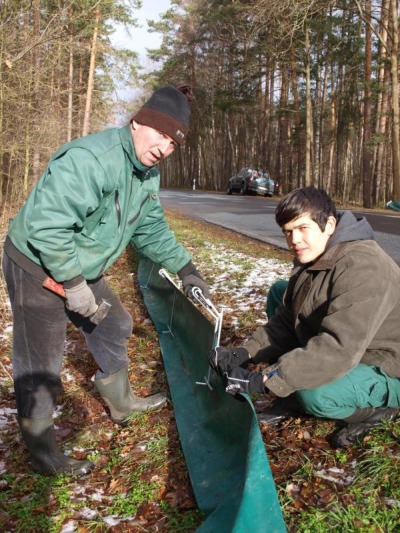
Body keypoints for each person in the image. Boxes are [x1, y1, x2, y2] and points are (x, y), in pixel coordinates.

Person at [2, 84, 210, 476]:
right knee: (41, 361)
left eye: (173, 143)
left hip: (78, 265)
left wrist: (187, 270)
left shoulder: (147, 175)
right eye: (160, 134)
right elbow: (48, 227)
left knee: (114, 324)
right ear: (137, 123)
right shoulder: (92, 159)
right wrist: (74, 286)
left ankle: (121, 401)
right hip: (35, 264)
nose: (164, 147)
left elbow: (150, 229)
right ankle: (42, 450)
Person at [209, 186, 400, 448]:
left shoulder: (363, 266)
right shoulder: (318, 254)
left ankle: (378, 411)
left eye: (302, 228)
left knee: (313, 393)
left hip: (384, 364)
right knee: (280, 293)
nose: (294, 240)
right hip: (352, 350)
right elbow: (287, 321)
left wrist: (266, 380)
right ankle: (296, 377)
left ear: (329, 224)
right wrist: (244, 352)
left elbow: (338, 349)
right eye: (287, 231)